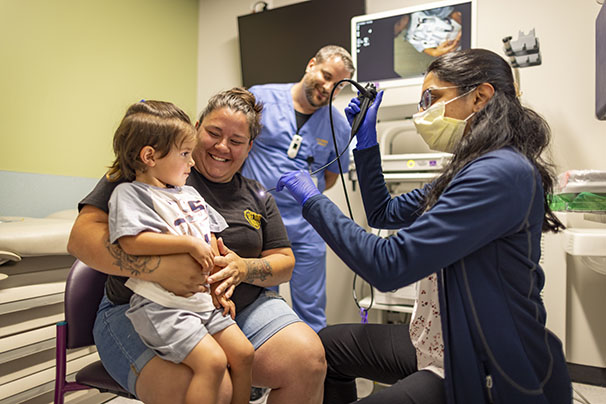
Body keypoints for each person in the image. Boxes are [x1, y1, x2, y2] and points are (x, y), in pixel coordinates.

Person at [275, 48, 572, 403]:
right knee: (326, 347)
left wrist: (314, 201)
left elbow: (388, 265)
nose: (423, 113)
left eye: (431, 98)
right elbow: (384, 213)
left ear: (480, 96)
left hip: (478, 358)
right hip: (438, 336)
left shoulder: (499, 174)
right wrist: (366, 144)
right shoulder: (469, 169)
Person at [67, 88, 327, 404]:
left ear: (249, 147)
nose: (222, 147)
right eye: (213, 133)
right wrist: (160, 269)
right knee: (214, 387)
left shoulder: (257, 195)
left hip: (230, 309)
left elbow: (284, 261)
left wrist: (242, 267)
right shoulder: (150, 173)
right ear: (196, 127)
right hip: (144, 308)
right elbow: (81, 237)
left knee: (308, 360)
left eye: (236, 141)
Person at [105, 100, 254, 404]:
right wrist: (187, 244)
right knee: (212, 363)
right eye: (185, 154)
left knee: (244, 354)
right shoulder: (130, 194)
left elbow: (210, 239)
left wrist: (218, 287)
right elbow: (131, 242)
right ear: (149, 156)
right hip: (162, 307)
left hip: (203, 302)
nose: (193, 162)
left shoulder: (189, 194)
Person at [241, 45, 354, 332]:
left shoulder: (337, 124)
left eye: (337, 85)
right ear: (311, 63)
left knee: (312, 309)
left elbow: (329, 177)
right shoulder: (261, 97)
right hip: (257, 220)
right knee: (261, 302)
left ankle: (314, 372)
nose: (327, 87)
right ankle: (265, 371)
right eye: (326, 75)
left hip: (306, 226)